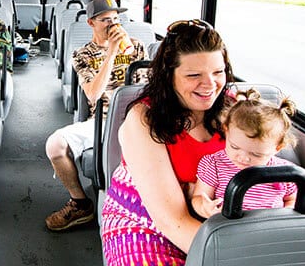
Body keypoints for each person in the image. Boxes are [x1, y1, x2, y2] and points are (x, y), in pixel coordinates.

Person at [100, 19, 234, 266]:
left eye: (218, 72)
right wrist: (233, 257)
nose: (210, 85)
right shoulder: (143, 119)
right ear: (168, 76)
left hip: (215, 217)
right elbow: (172, 221)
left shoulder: (234, 110)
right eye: (194, 75)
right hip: (144, 222)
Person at [44, 0, 148, 231]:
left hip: (139, 117)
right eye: (106, 21)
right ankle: (80, 202)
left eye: (116, 20)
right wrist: (110, 53)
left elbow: (148, 86)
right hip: (102, 120)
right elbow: (92, 94)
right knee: (55, 145)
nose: (113, 25)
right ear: (91, 23)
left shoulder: (137, 47)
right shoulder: (83, 54)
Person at [191, 88, 298, 218]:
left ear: (278, 148)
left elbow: (291, 200)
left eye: (256, 154)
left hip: (271, 229)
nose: (243, 158)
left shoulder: (284, 172)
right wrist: (205, 208)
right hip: (229, 227)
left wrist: (287, 215)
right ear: (226, 131)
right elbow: (199, 197)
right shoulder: (214, 164)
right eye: (234, 147)